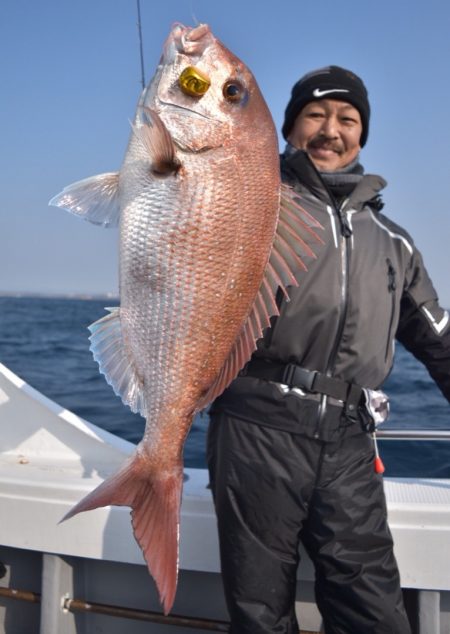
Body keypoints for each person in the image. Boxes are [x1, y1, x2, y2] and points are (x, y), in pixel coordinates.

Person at [207, 65, 450, 634]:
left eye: (347, 118)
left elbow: (439, 342)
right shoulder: (252, 208)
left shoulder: (394, 243)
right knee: (259, 615)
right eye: (315, 115)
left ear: (362, 135)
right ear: (289, 129)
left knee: (375, 612)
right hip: (256, 430)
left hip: (348, 442)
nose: (330, 130)